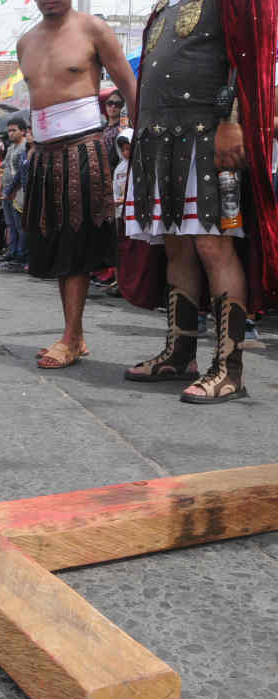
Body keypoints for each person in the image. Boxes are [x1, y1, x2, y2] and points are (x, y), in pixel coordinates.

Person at [122, 0, 277, 403]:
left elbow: (246, 62)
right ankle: (179, 354)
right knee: (176, 246)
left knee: (214, 246)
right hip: (160, 140)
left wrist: (232, 123)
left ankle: (229, 370)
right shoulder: (162, 6)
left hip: (208, 136)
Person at [16, 0, 136, 369]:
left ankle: (70, 337)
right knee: (55, 242)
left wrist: (145, 142)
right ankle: (75, 334)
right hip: (43, 155)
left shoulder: (93, 29)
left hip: (84, 149)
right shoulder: (25, 43)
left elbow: (129, 87)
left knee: (78, 242)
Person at [0, 116, 29, 270]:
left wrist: (14, 190)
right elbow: (3, 167)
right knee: (10, 224)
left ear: (23, 132)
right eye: (9, 130)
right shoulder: (10, 148)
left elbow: (21, 173)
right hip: (7, 190)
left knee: (19, 225)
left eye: (13, 130)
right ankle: (12, 251)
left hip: (19, 192)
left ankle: (21, 255)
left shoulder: (25, 148)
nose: (10, 133)